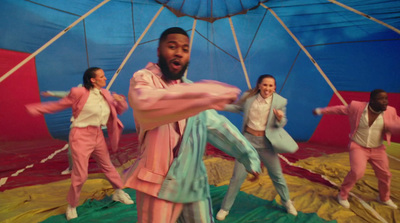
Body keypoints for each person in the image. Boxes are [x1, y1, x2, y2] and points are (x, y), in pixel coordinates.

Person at [123, 27, 261, 223]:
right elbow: (147, 104)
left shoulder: (192, 90)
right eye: (172, 46)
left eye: (185, 49)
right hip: (157, 185)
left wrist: (248, 156)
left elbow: (218, 126)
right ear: (159, 51)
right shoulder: (145, 79)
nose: (179, 52)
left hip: (192, 183)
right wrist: (207, 93)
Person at [26, 67, 134, 220]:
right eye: (102, 76)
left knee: (108, 165)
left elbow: (119, 110)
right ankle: (72, 205)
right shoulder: (79, 93)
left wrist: (121, 101)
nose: (105, 78)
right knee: (81, 174)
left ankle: (118, 192)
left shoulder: (106, 94)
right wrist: (37, 109)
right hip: (80, 135)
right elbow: (60, 104)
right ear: (93, 80)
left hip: (97, 134)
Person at [215, 74, 298, 220]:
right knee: (237, 177)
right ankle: (225, 208)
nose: (268, 88)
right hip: (247, 142)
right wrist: (218, 105)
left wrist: (279, 118)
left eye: (271, 86)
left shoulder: (279, 101)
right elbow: (236, 108)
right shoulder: (249, 97)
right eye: (265, 85)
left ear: (275, 87)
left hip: (266, 144)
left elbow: (282, 122)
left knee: (277, 176)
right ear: (259, 85)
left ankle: (287, 202)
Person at [313, 89, 399, 209]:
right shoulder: (357, 107)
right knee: (357, 172)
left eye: (386, 98)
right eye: (381, 99)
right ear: (372, 101)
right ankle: (342, 195)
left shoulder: (390, 111)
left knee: (385, 174)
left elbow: (397, 123)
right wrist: (321, 111)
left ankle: (384, 198)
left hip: (378, 149)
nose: (385, 102)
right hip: (358, 147)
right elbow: (339, 109)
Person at [40, 84, 82, 175]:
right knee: (71, 153)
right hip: (77, 126)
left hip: (93, 128)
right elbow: (67, 94)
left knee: (98, 153)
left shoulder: (99, 93)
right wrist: (51, 93)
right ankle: (72, 168)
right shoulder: (80, 89)